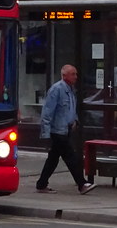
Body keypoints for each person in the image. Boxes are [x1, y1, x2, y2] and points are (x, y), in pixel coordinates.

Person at [36, 64, 95, 194]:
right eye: (73, 74)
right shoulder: (56, 89)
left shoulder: (70, 89)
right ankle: (82, 184)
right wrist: (46, 133)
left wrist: (75, 121)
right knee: (71, 157)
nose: (76, 77)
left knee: (53, 159)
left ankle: (41, 184)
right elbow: (47, 112)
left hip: (66, 129)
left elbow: (71, 108)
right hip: (57, 131)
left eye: (76, 74)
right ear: (64, 75)